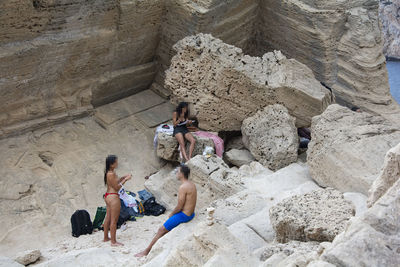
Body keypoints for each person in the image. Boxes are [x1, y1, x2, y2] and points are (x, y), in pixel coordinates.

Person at [135, 164, 197, 257]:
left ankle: (146, 251)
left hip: (184, 215)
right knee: (166, 227)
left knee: (161, 230)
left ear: (182, 174)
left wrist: (171, 214)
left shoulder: (183, 187)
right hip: (191, 214)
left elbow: (180, 206)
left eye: (178, 171)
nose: (176, 173)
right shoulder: (191, 184)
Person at [103, 155, 132, 246]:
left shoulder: (109, 172)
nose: (117, 163)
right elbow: (117, 187)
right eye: (116, 162)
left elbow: (114, 183)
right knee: (114, 220)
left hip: (108, 196)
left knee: (108, 218)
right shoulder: (111, 174)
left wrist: (122, 178)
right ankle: (113, 242)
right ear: (112, 164)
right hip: (113, 196)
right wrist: (126, 180)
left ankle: (106, 238)